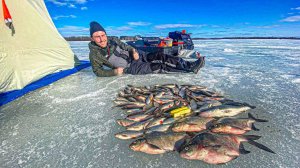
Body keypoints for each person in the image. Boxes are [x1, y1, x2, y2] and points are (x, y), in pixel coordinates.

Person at [88, 21, 205, 77]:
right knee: (158, 67)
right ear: (92, 38)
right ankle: (188, 70)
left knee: (162, 56)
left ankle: (188, 65)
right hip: (131, 67)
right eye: (97, 37)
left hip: (139, 55)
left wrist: (133, 51)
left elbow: (126, 46)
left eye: (103, 35)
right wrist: (113, 72)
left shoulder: (113, 39)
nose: (102, 39)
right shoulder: (94, 54)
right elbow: (97, 71)